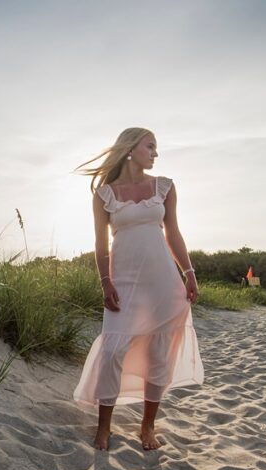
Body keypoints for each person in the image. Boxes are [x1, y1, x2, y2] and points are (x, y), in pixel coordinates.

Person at [73, 127, 204, 451]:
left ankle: (147, 427)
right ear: (130, 149)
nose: (155, 153)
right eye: (151, 146)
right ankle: (104, 427)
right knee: (112, 351)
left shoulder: (164, 187)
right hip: (124, 281)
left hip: (163, 281)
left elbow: (173, 233)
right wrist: (105, 281)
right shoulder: (104, 195)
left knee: (159, 352)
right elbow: (100, 244)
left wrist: (188, 272)